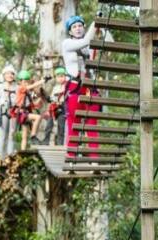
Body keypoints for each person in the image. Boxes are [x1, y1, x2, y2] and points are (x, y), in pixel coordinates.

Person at [59, 15, 99, 156]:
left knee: (92, 124)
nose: (77, 28)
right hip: (75, 87)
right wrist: (97, 21)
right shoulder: (67, 43)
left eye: (80, 26)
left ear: (84, 27)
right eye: (74, 27)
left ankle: (94, 158)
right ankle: (71, 157)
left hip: (89, 88)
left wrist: (102, 27)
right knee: (74, 124)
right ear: (70, 31)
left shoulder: (90, 46)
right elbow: (86, 40)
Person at [10, 69, 45, 150]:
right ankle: (33, 135)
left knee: (24, 136)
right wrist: (41, 81)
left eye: (27, 81)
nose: (25, 83)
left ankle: (23, 151)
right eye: (24, 81)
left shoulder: (27, 92)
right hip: (21, 113)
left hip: (24, 113)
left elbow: (33, 103)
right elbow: (30, 87)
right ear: (20, 82)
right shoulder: (20, 88)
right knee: (38, 117)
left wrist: (40, 98)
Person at [0, 65, 20, 156]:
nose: (9, 75)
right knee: (2, 135)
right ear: (4, 75)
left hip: (14, 112)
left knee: (12, 134)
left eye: (11, 74)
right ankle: (1, 156)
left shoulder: (17, 87)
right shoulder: (0, 87)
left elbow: (20, 100)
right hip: (3, 111)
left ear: (14, 75)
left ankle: (10, 154)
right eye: (7, 74)